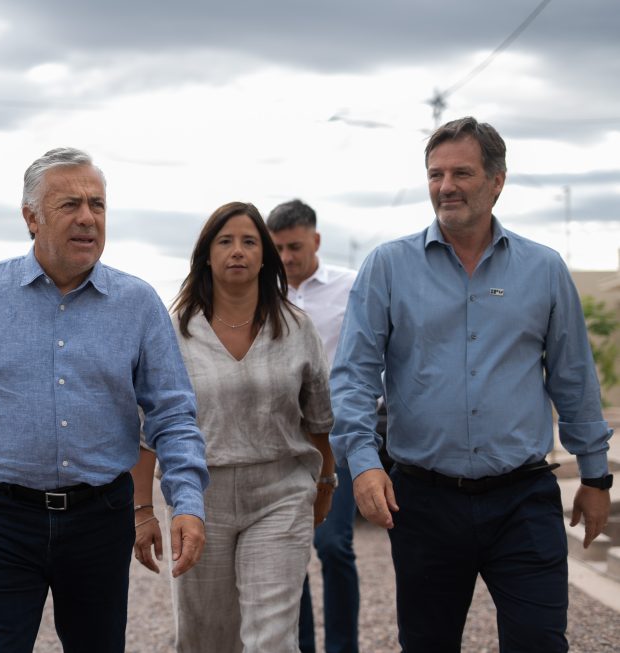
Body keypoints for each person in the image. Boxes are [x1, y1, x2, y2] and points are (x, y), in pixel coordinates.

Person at [0, 147, 209, 653]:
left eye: (97, 204)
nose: (88, 217)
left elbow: (172, 415)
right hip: (1, 518)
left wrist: (187, 501)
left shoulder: (138, 303)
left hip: (100, 519)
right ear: (31, 218)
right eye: (70, 205)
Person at [330, 116, 613, 652]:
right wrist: (363, 463)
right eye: (435, 174)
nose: (446, 186)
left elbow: (574, 378)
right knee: (428, 644)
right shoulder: (388, 267)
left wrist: (596, 477)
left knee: (539, 641)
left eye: (461, 173)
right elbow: (353, 376)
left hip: (522, 499)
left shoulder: (544, 269)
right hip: (424, 502)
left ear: (497, 181)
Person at [132, 201, 336, 653]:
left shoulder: (297, 327)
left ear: (265, 256)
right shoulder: (174, 332)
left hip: (281, 494)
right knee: (206, 639)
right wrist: (142, 509)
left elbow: (319, 418)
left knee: (272, 639)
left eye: (249, 241)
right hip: (199, 499)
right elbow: (149, 428)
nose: (238, 251)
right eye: (225, 241)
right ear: (207, 255)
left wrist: (325, 482)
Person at [267, 199, 359, 653]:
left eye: (295, 247)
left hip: (336, 438)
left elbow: (372, 353)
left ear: (316, 240)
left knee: (334, 545)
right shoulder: (264, 296)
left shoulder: (351, 288)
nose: (286, 257)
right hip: (282, 441)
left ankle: (343, 647)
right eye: (279, 249)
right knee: (290, 553)